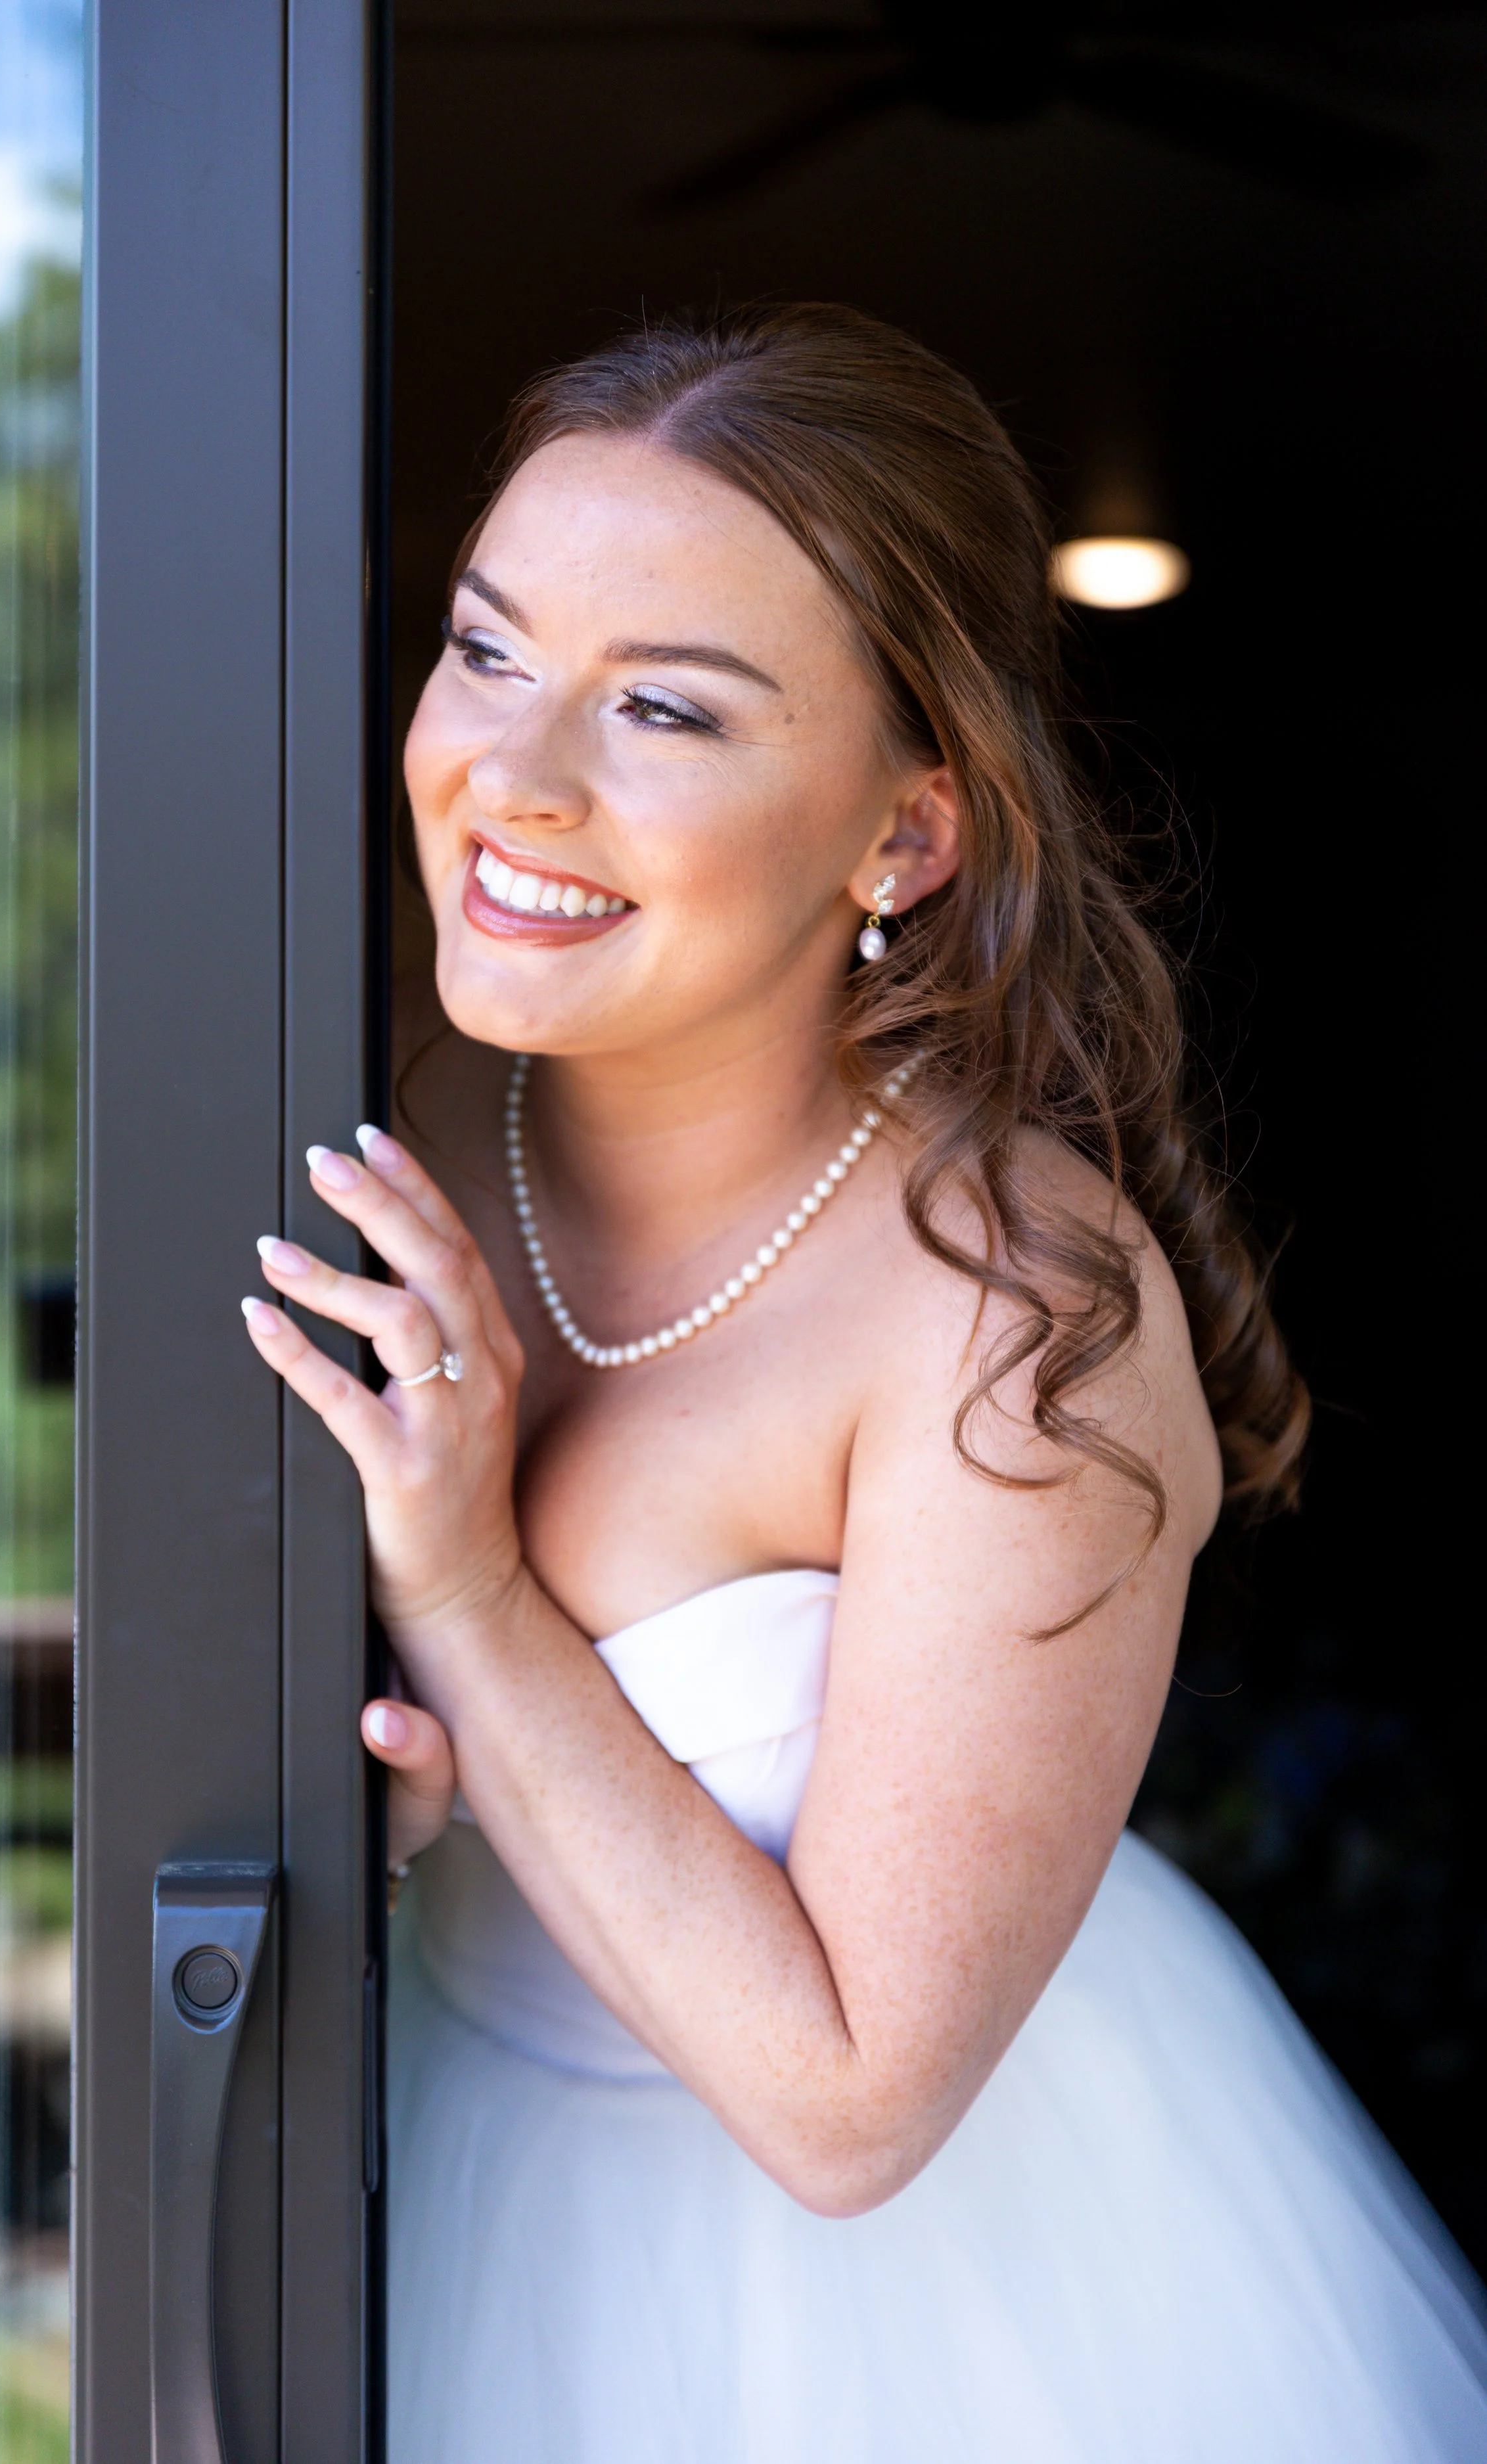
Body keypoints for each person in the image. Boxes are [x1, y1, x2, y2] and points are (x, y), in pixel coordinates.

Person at [240, 305, 1487, 2461]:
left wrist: (465, 1588)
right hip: (426, 2170)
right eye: (484, 648)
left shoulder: (1005, 1308)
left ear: (900, 839)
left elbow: (847, 2105)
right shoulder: (356, 1112)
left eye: (663, 709)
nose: (509, 776)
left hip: (923, 2316)